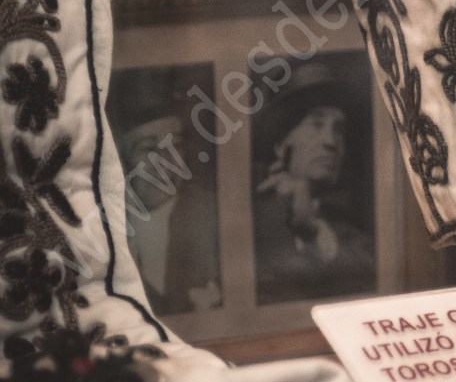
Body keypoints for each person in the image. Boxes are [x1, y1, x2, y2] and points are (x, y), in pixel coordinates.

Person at [252, 62, 375, 303]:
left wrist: (314, 232)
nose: (331, 141)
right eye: (316, 124)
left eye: (339, 130)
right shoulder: (250, 223)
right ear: (281, 146)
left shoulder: (348, 235)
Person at [116, 98, 222, 316]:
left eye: (176, 145)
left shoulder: (213, 214)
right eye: (148, 148)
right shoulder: (101, 225)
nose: (166, 160)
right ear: (121, 161)